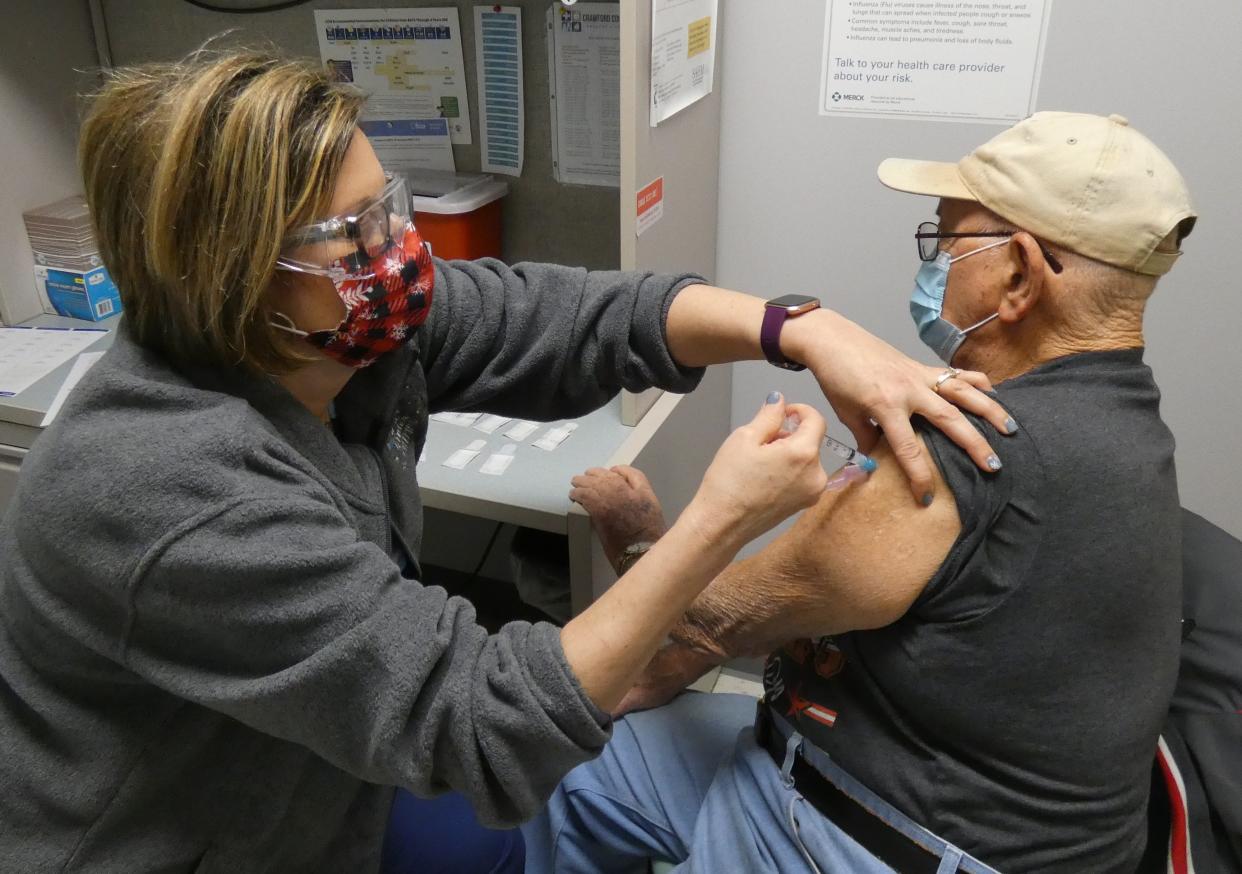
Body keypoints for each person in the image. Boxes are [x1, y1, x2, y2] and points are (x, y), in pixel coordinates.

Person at [0, 51, 1011, 873]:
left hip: (314, 778)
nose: (398, 252)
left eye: (387, 205)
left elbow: (565, 317)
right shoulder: (169, 492)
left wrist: (799, 327)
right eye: (350, 237)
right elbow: (477, 722)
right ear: (224, 275)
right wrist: (717, 524)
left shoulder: (337, 329)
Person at [528, 111, 1196, 872]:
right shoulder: (1128, 420)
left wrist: (638, 528)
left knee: (558, 751)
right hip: (922, 781)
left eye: (944, 242)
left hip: (884, 834)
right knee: (584, 774)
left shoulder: (969, 454)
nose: (933, 264)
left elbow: (717, 618)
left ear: (1017, 274)